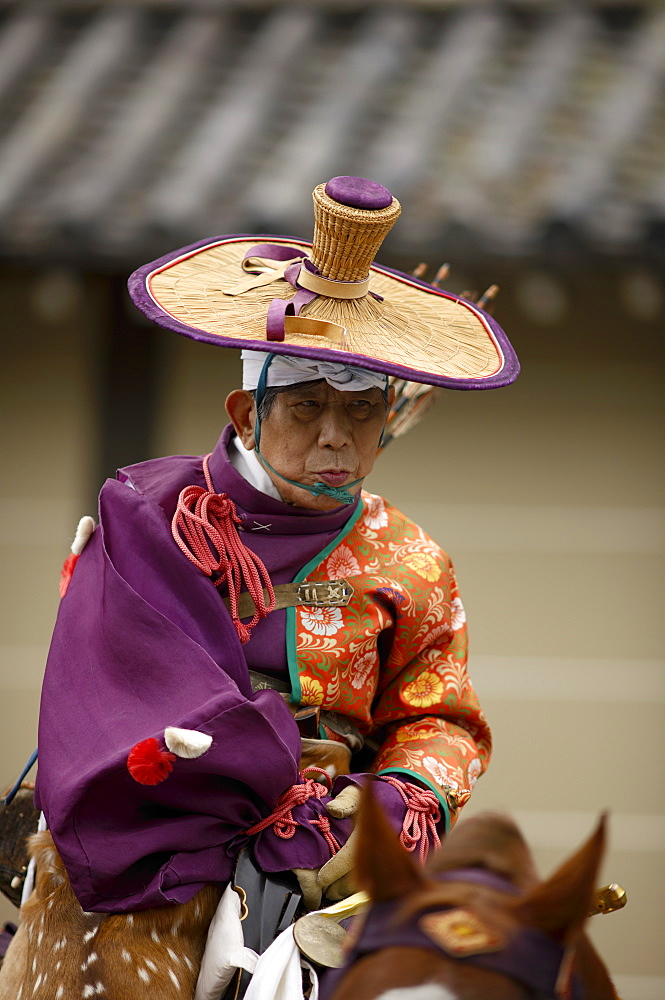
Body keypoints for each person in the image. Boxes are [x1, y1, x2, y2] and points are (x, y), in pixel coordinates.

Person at [6, 176, 519, 994]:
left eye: (360, 413)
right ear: (246, 412)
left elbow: (442, 718)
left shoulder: (411, 558)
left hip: (337, 829)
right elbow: (107, 683)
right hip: (147, 812)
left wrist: (394, 803)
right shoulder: (153, 516)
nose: (333, 436)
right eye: (305, 406)